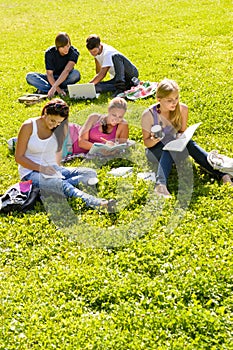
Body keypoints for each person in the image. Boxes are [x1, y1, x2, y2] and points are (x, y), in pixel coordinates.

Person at [15, 98, 114, 209]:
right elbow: (19, 157)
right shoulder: (29, 126)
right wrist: (42, 169)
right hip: (30, 172)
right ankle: (98, 203)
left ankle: (54, 187)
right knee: (60, 184)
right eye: (52, 121)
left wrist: (55, 170)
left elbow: (58, 153)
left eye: (59, 122)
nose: (55, 125)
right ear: (45, 113)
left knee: (90, 174)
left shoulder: (59, 128)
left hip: (52, 169)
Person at [141, 78, 233, 198]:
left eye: (176, 98)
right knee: (169, 146)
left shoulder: (182, 109)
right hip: (155, 151)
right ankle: (160, 185)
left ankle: (222, 174)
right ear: (159, 99)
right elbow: (147, 143)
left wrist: (180, 136)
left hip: (176, 149)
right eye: (169, 100)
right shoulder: (149, 115)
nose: (174, 102)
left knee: (187, 143)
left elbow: (182, 131)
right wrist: (156, 139)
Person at [62, 97, 129, 158]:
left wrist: (112, 148)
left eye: (120, 117)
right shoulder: (94, 118)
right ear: (108, 110)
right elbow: (81, 142)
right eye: (114, 115)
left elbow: (121, 148)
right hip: (70, 136)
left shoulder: (122, 125)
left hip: (72, 149)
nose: (116, 119)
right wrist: (100, 149)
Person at [26, 32, 81, 98]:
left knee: (75, 74)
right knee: (30, 76)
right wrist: (58, 89)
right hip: (51, 79)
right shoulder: (49, 53)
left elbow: (67, 70)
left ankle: (47, 90)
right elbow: (49, 74)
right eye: (63, 47)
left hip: (65, 78)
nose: (66, 49)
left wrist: (54, 87)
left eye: (67, 46)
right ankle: (61, 90)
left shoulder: (74, 52)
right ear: (57, 47)